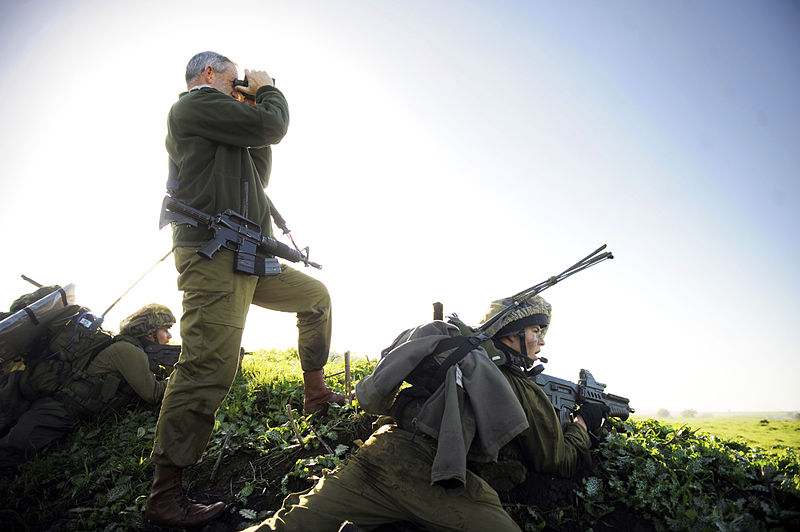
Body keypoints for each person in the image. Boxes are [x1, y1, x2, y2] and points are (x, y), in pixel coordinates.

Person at [145, 51, 344, 527]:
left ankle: (315, 393)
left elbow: (260, 160)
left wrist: (252, 104)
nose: (241, 88)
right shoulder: (191, 105)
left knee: (315, 298)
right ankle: (164, 496)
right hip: (213, 259)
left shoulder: (224, 128)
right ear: (209, 74)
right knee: (208, 364)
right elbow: (273, 127)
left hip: (248, 255)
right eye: (235, 81)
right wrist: (268, 89)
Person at [242, 295, 608, 532]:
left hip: (380, 453)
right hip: (437, 479)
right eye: (536, 330)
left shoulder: (456, 355)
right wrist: (582, 426)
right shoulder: (514, 383)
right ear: (511, 335)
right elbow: (557, 459)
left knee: (288, 526)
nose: (542, 340)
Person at [0, 303, 175, 469]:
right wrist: (183, 373)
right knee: (12, 449)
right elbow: (153, 394)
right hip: (59, 409)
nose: (169, 336)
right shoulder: (129, 351)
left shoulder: (134, 350)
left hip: (68, 413)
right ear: (150, 331)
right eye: (165, 329)